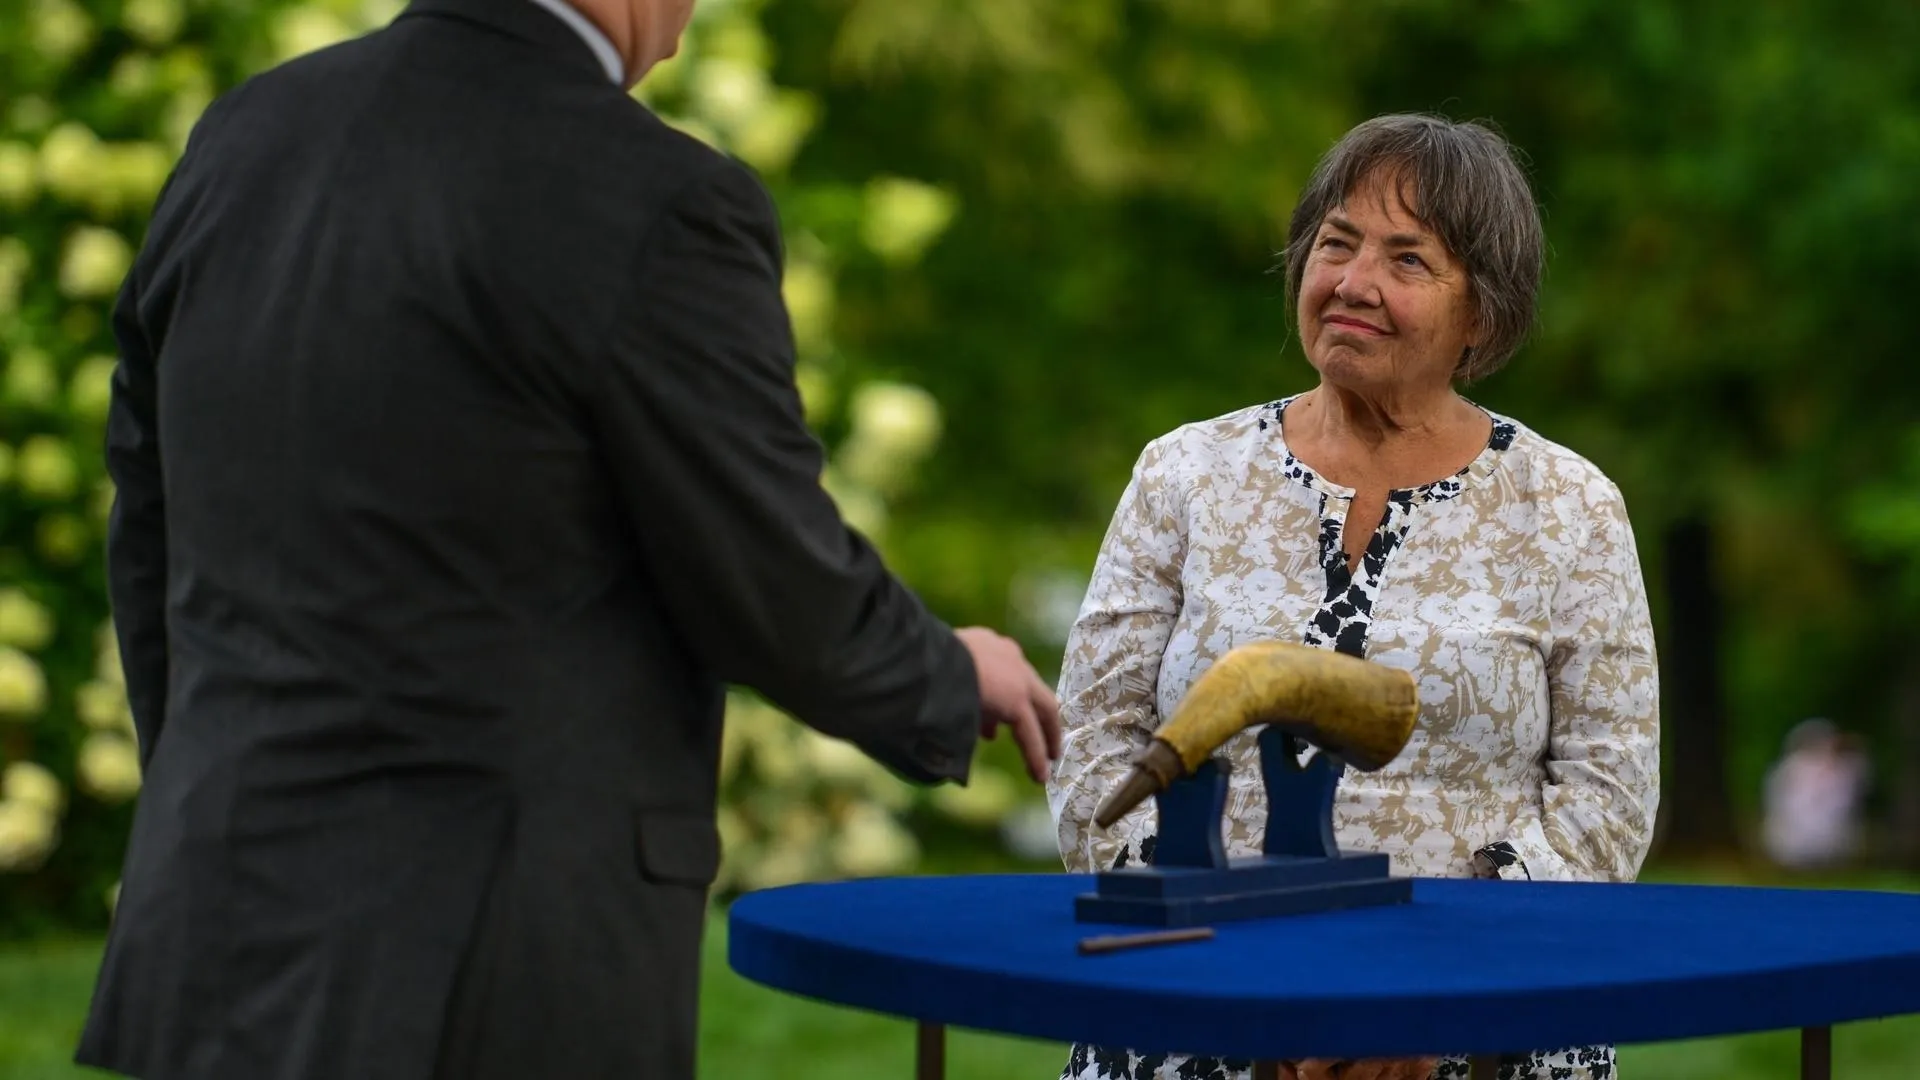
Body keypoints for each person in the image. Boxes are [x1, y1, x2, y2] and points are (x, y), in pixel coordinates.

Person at [77, 1, 1063, 1077]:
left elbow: (151, 511)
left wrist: (201, 779)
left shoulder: (244, 134)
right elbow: (765, 570)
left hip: (212, 921)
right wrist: (946, 672)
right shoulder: (654, 198)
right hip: (489, 969)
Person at [1046, 114, 1660, 1080]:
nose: (1352, 283)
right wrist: (1213, 959)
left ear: (1483, 317)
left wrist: (1435, 1003)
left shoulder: (1571, 506)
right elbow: (1094, 746)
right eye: (1336, 243)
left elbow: (1608, 799)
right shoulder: (1184, 474)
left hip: (1475, 1027)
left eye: (1407, 260)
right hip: (1193, 1004)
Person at [1761, 719, 1870, 871]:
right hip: (1797, 832)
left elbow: (1849, 793)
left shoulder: (1842, 768)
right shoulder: (1792, 767)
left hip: (1830, 833)